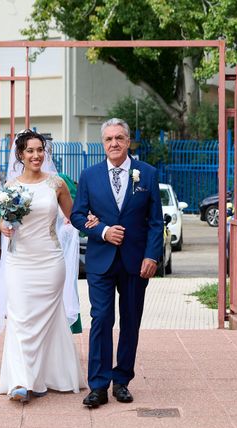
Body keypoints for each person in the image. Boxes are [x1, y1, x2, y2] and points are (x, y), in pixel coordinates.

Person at [0, 130, 97, 403]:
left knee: (48, 320)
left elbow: (74, 216)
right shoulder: (9, 188)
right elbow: (0, 218)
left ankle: (49, 377)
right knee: (19, 318)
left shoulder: (57, 184)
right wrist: (0, 224)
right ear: (20, 155)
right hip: (19, 262)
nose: (36, 155)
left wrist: (97, 224)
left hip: (50, 260)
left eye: (40, 150)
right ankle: (21, 382)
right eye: (30, 151)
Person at [71, 118, 163, 408]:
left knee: (130, 321)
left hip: (137, 262)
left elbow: (155, 221)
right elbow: (77, 215)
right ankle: (98, 385)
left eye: (119, 138)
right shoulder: (89, 175)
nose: (114, 143)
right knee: (101, 320)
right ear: (103, 143)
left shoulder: (146, 174)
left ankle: (122, 380)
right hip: (101, 260)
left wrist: (152, 255)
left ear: (128, 141)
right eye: (109, 139)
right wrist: (102, 231)